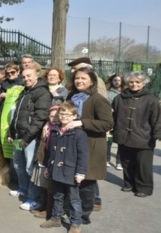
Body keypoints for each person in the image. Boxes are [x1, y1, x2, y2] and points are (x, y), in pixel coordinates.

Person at [65, 66, 113, 224]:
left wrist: (81, 123)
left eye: (83, 78)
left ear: (92, 81)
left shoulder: (98, 99)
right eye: (77, 78)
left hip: (91, 146)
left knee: (86, 183)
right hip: (73, 145)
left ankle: (84, 216)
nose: (79, 81)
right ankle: (73, 210)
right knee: (73, 181)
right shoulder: (72, 97)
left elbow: (107, 123)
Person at [41, 101, 89, 233]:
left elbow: (83, 155)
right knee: (57, 196)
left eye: (68, 115)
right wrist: (47, 168)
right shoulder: (55, 131)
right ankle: (55, 218)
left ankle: (75, 224)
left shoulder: (79, 134)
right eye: (62, 114)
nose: (64, 117)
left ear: (74, 116)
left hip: (70, 171)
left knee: (74, 200)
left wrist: (80, 173)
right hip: (55, 170)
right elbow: (51, 152)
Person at [7, 67, 51, 211]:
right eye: (24, 76)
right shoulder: (24, 91)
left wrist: (26, 137)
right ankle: (23, 189)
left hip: (30, 137)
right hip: (19, 136)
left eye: (29, 76)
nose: (26, 79)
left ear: (37, 75)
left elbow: (40, 118)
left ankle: (34, 199)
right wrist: (11, 132)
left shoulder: (42, 92)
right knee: (19, 165)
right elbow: (17, 115)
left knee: (30, 168)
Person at [112, 71, 161, 198]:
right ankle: (129, 184)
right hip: (123, 135)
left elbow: (157, 118)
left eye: (137, 82)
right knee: (126, 162)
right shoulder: (120, 98)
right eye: (131, 82)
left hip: (143, 137)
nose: (134, 84)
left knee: (143, 165)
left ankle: (144, 187)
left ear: (143, 83)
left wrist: (158, 133)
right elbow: (113, 115)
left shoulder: (151, 99)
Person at [32, 105, 59, 219]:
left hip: (53, 160)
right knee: (43, 185)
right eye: (51, 116)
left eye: (56, 116)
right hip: (44, 157)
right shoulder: (47, 126)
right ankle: (43, 206)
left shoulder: (59, 129)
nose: (54, 118)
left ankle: (48, 210)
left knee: (50, 188)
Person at [107, 73, 125, 170]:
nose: (117, 82)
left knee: (121, 142)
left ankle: (119, 161)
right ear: (111, 81)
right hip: (110, 119)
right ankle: (106, 159)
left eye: (119, 80)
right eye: (115, 80)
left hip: (121, 120)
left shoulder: (125, 93)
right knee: (108, 141)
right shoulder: (108, 93)